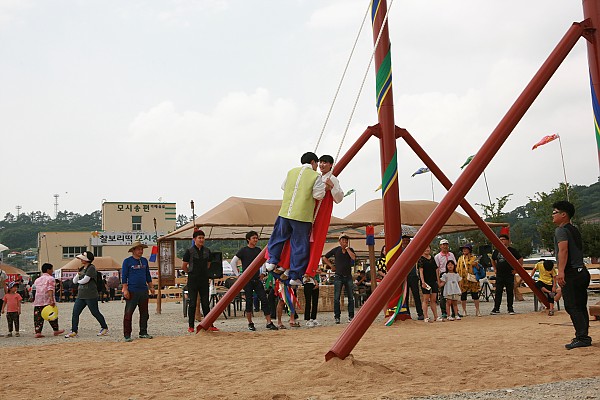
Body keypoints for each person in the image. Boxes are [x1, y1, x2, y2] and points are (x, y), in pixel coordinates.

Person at [265, 152, 326, 285]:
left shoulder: (291, 172)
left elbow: (283, 186)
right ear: (313, 162)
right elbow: (319, 195)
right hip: (302, 216)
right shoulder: (315, 176)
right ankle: (295, 275)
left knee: (278, 237)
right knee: (299, 245)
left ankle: (272, 260)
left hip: (285, 211)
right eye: (317, 163)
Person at [552, 200, 591, 349]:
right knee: (580, 305)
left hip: (572, 273)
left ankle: (582, 337)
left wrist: (560, 271)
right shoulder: (574, 229)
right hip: (582, 271)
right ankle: (583, 335)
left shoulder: (561, 230)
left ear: (564, 215)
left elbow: (563, 250)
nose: (552, 215)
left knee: (572, 306)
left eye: (555, 212)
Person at [230, 231, 278, 331]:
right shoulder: (243, 250)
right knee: (248, 301)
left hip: (256, 279)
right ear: (248, 239)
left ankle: (269, 322)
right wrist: (238, 275)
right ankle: (250, 323)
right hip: (247, 280)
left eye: (257, 238)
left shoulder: (258, 250)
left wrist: (263, 272)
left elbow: (264, 261)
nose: (255, 240)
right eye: (254, 238)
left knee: (264, 300)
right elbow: (233, 262)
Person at [65, 251, 109, 338]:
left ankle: (104, 327)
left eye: (83, 258)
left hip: (90, 295)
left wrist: (78, 281)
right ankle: (74, 330)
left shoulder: (91, 268)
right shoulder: (82, 269)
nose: (81, 260)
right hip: (81, 295)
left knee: (95, 312)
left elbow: (85, 280)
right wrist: (77, 276)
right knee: (75, 312)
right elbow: (74, 280)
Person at [182, 230, 218, 332]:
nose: (201, 240)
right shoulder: (189, 251)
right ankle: (191, 326)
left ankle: (209, 324)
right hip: (193, 280)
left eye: (203, 238)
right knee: (192, 303)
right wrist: (190, 272)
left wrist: (204, 272)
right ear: (194, 239)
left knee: (206, 303)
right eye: (199, 238)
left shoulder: (207, 251)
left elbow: (209, 264)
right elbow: (184, 266)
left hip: (204, 279)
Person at [121, 241, 155, 342]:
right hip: (132, 290)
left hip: (143, 290)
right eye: (139, 249)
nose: (141, 251)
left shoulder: (144, 261)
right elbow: (124, 276)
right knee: (128, 313)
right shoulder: (127, 261)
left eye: (142, 249)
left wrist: (151, 286)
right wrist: (125, 289)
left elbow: (147, 275)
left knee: (145, 313)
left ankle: (143, 332)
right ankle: (127, 334)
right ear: (133, 250)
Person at [322, 233, 356, 324]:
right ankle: (337, 317)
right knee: (336, 298)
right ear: (339, 242)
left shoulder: (350, 250)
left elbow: (353, 258)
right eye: (343, 241)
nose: (345, 242)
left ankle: (351, 316)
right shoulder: (336, 250)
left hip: (348, 276)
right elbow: (325, 257)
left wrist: (348, 249)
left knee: (351, 298)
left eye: (346, 241)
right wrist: (330, 265)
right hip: (338, 276)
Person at [489, 234, 522, 315]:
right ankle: (496, 308)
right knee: (498, 291)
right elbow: (493, 259)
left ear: (507, 241)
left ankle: (510, 308)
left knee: (509, 291)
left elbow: (520, 259)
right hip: (500, 274)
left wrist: (516, 270)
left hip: (509, 274)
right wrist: (495, 269)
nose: (502, 241)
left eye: (503, 239)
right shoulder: (497, 250)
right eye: (500, 240)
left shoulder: (512, 250)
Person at [33, 263, 64, 338]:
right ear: (48, 270)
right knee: (52, 315)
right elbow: (50, 289)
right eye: (52, 269)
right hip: (47, 300)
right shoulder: (51, 279)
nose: (52, 271)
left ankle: (38, 332)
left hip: (38, 301)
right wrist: (51, 299)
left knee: (38, 317)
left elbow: (35, 290)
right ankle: (56, 330)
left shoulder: (37, 280)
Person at [401, 234, 425, 320]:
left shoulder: (414, 250)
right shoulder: (400, 251)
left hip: (413, 275)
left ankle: (420, 313)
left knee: (416, 295)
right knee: (405, 296)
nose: (406, 242)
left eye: (407, 241)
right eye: (404, 241)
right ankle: (407, 313)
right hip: (404, 276)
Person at [456, 243, 482, 317]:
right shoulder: (460, 258)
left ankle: (477, 310)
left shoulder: (474, 258)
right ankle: (464, 310)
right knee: (463, 296)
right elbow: (458, 269)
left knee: (475, 295)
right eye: (463, 249)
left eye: (466, 249)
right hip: (463, 279)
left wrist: (476, 265)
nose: (464, 250)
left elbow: (478, 268)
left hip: (472, 278)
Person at [418, 245, 441, 322]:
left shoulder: (432, 258)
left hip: (433, 281)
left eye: (428, 248)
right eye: (425, 248)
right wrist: (423, 282)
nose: (427, 249)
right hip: (426, 281)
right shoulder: (421, 259)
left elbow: (436, 270)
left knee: (433, 299)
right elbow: (420, 271)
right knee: (426, 299)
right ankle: (426, 316)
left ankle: (436, 316)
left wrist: (438, 281)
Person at [434, 239, 456, 318]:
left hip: (451, 273)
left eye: (446, 244)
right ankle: (444, 312)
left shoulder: (451, 255)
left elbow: (455, 265)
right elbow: (437, 269)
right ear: (440, 246)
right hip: (443, 274)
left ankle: (455, 312)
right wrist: (438, 279)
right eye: (443, 245)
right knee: (443, 294)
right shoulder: (437, 256)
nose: (445, 246)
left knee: (453, 293)